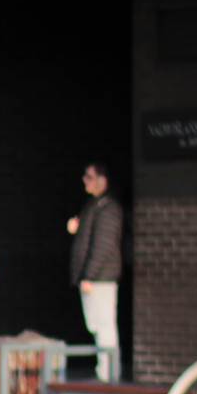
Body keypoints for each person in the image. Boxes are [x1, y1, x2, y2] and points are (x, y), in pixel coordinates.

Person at [66, 162, 125, 378]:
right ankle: (105, 370)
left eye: (89, 177)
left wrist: (88, 276)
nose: (85, 181)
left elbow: (103, 245)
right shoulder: (95, 205)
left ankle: (108, 372)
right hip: (95, 278)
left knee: (104, 324)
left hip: (100, 278)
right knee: (97, 325)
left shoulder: (108, 208)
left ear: (102, 179)